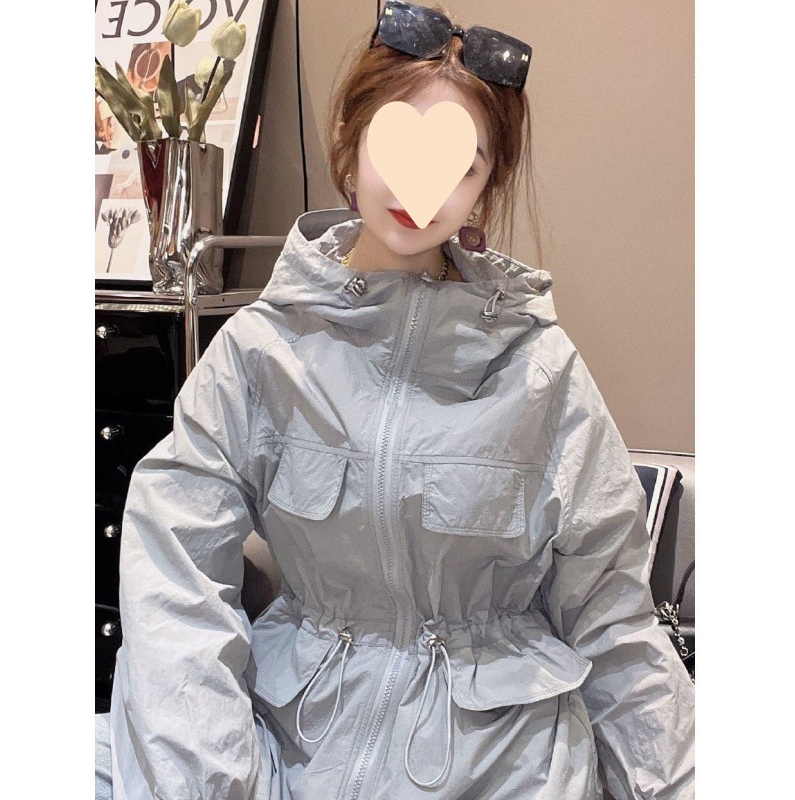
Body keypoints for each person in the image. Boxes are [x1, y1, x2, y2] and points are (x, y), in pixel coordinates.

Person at [95, 2, 695, 798]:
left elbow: (614, 619)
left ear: (485, 188)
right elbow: (174, 574)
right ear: (349, 139)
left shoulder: (539, 371)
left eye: (463, 166)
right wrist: (215, 780)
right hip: (294, 744)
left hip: (502, 765)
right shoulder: (262, 350)